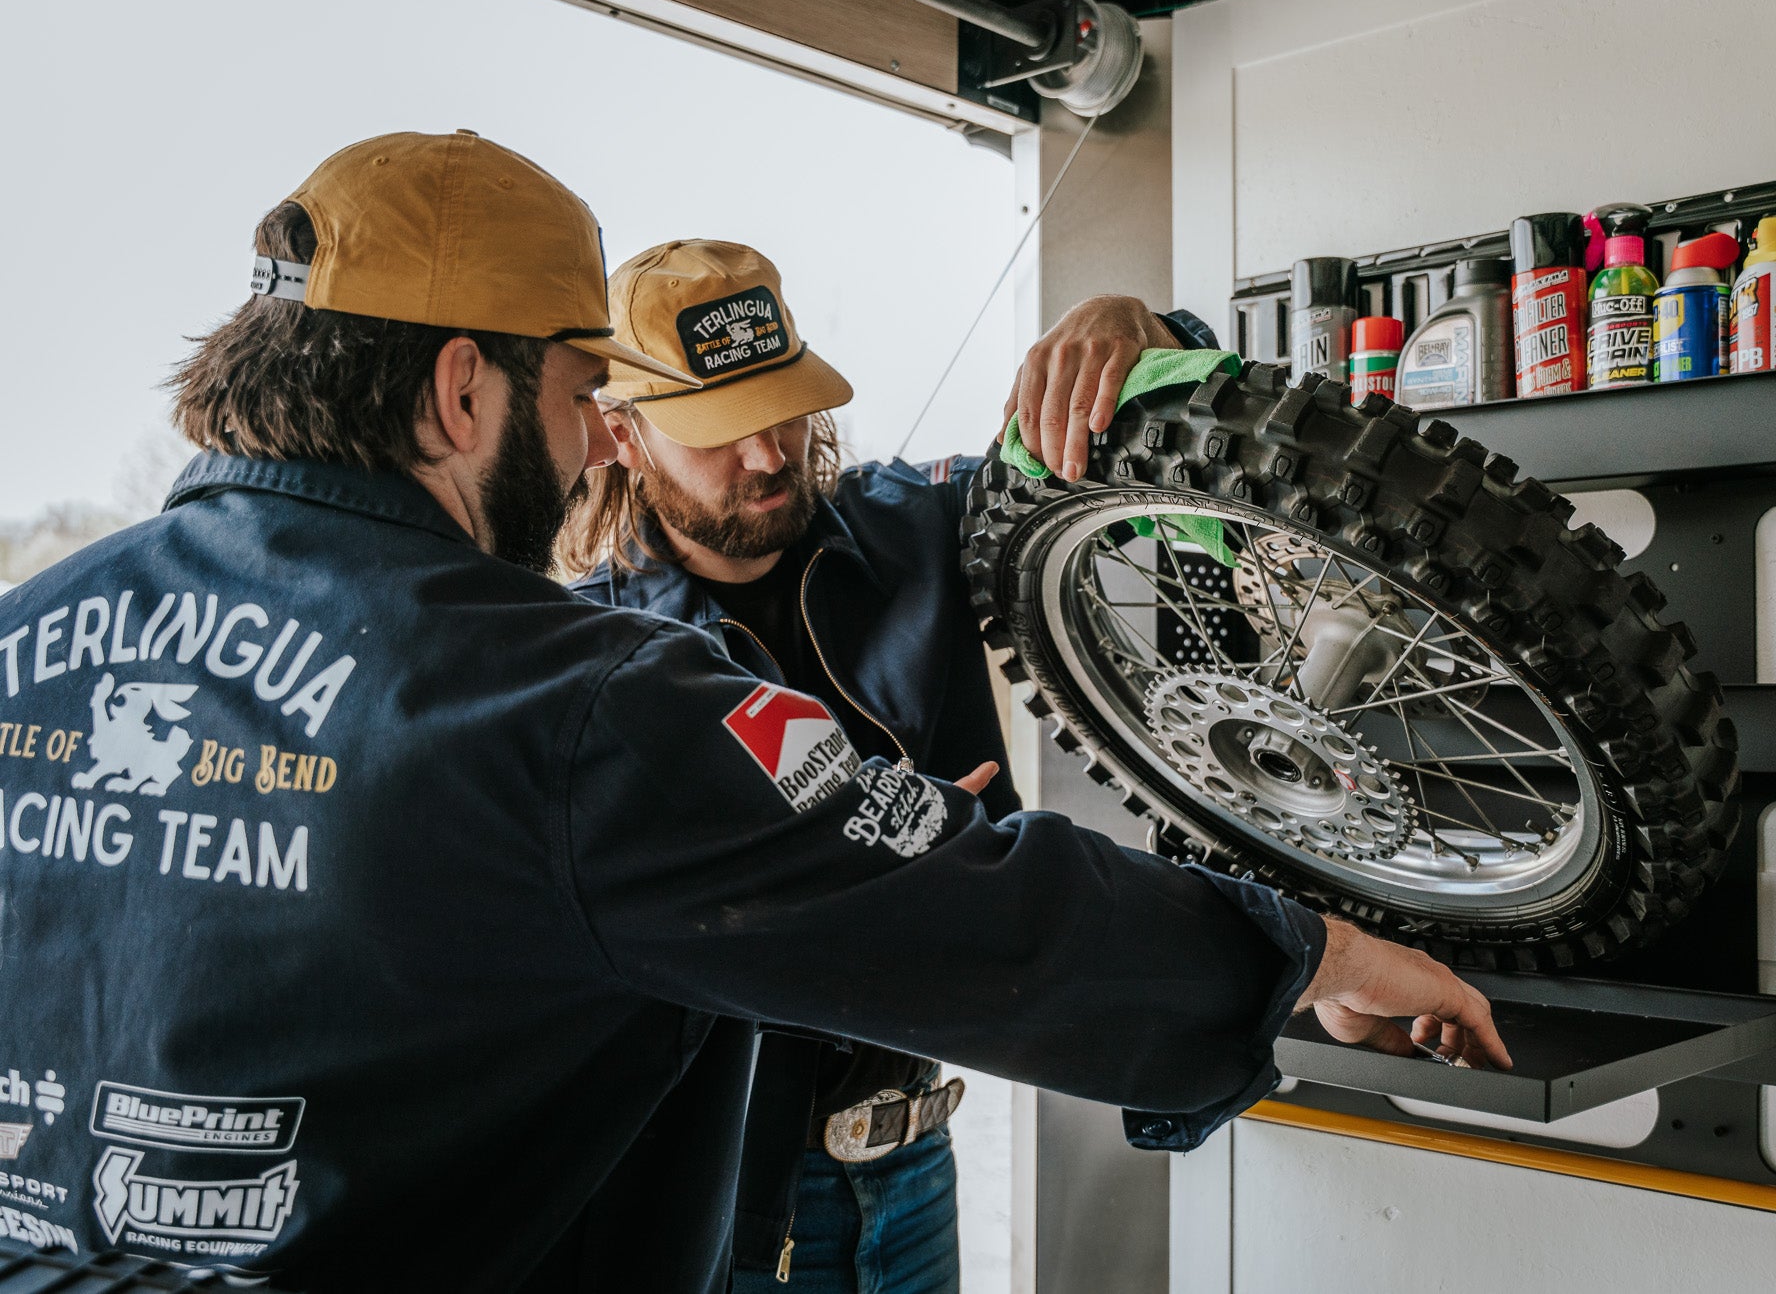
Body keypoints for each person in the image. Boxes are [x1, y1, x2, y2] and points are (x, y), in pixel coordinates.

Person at [0, 130, 1509, 1291]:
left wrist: (1136, 326)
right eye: (581, 389)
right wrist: (1300, 949)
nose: (592, 432)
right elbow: (971, 907)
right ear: (463, 395)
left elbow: (1157, 521)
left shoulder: (28, 640)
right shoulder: (571, 696)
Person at [554, 239, 1206, 1291]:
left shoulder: (912, 524)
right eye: (721, 431)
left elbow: (1142, 447)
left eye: (785, 408)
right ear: (620, 433)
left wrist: (1145, 330)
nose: (769, 455)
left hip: (915, 1159)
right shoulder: (587, 667)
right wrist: (887, 859)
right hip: (721, 1194)